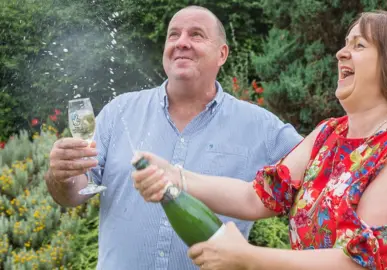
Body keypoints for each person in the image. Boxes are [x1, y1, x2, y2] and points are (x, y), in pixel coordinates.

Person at [132, 10, 387, 270]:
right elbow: (257, 197)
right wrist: (174, 175)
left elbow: (360, 262)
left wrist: (249, 258)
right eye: (345, 43)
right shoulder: (330, 134)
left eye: (358, 45)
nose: (341, 52)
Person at [44, 5, 302, 270]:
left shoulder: (261, 127)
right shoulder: (118, 112)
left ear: (222, 54)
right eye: (173, 35)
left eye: (196, 35)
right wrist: (61, 175)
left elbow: (321, 176)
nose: (182, 43)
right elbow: (72, 194)